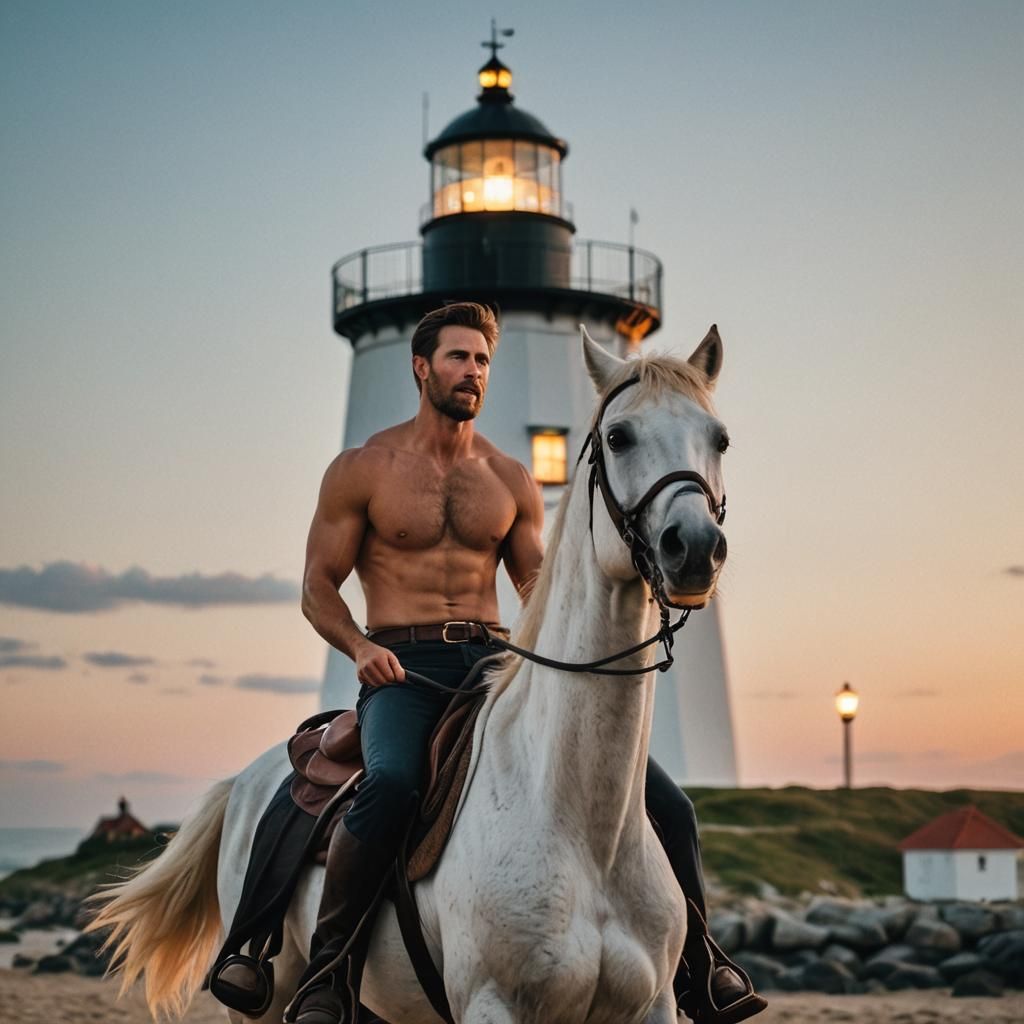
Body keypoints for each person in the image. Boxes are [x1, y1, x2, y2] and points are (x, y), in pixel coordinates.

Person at [289, 301, 765, 1024]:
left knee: (671, 805)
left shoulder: (508, 478)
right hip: (404, 672)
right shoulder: (363, 469)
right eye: (458, 357)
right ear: (421, 367)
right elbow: (317, 587)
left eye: (482, 360)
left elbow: (541, 589)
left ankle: (701, 967)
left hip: (492, 661)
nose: (472, 372)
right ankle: (329, 973)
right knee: (389, 785)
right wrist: (361, 647)